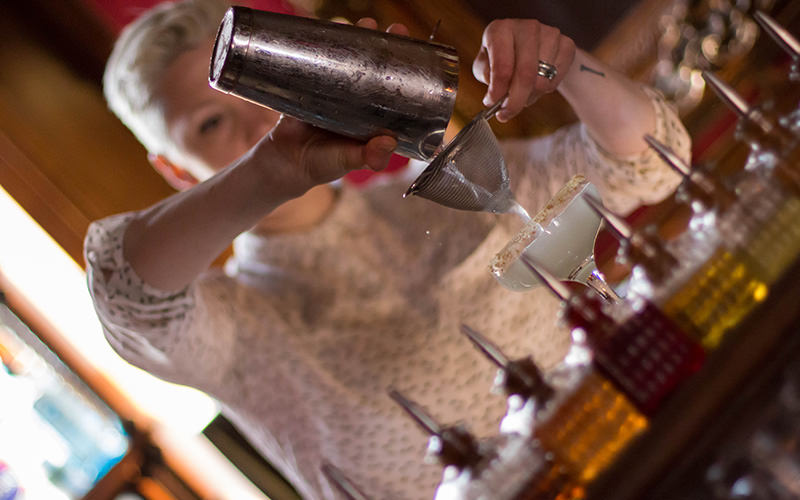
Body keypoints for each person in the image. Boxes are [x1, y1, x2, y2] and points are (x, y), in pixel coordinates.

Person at [86, 0, 690, 498]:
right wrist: (274, 168)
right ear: (174, 170)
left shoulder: (448, 193)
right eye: (210, 125)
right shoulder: (239, 328)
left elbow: (647, 163)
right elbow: (126, 292)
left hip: (678, 441)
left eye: (261, 86)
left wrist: (566, 63)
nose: (260, 123)